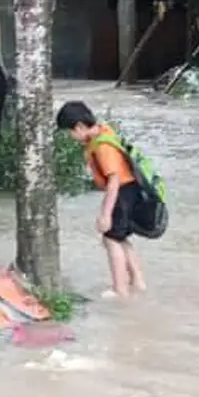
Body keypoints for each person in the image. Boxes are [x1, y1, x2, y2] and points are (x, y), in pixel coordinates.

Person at [57, 100, 148, 299]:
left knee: (111, 238)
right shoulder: (105, 132)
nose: (71, 138)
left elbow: (114, 180)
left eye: (70, 133)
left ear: (80, 126)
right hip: (131, 191)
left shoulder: (102, 147)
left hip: (122, 191)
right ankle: (138, 282)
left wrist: (105, 214)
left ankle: (119, 289)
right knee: (121, 237)